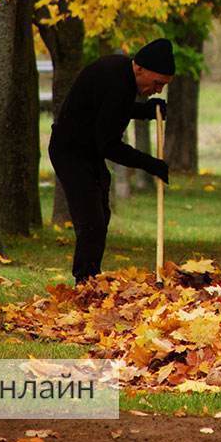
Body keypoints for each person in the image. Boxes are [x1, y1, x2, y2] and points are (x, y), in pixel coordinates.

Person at [48, 38, 174, 284]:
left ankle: (90, 277)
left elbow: (114, 110)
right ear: (140, 69)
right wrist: (151, 164)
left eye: (163, 86)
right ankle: (85, 282)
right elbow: (110, 145)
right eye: (157, 83)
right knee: (91, 220)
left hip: (88, 151)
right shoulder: (116, 80)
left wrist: (147, 111)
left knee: (100, 216)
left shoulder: (120, 74)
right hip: (71, 152)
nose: (158, 90)